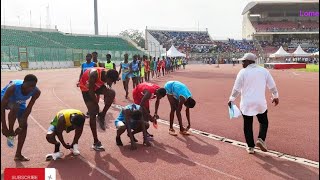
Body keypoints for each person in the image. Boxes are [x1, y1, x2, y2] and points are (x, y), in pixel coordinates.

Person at [228, 53, 279, 154]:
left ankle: (250, 147)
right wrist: (276, 96)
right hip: (260, 102)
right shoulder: (264, 71)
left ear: (249, 62)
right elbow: (272, 86)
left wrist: (231, 99)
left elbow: (236, 89)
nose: (242, 63)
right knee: (263, 121)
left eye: (243, 61)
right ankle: (261, 139)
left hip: (246, 103)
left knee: (247, 124)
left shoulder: (242, 72)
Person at [1, 74, 41, 161]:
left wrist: (20, 126)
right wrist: (4, 126)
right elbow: (2, 107)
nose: (30, 89)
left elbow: (28, 108)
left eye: (33, 86)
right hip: (6, 100)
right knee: (15, 107)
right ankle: (10, 132)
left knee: (24, 126)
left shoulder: (36, 92)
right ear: (24, 83)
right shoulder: (12, 88)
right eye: (28, 86)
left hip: (19, 102)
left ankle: (18, 154)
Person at [79, 67, 118, 150]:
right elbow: (91, 91)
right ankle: (96, 142)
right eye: (111, 81)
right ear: (107, 77)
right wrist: (96, 104)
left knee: (111, 93)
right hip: (86, 88)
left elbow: (107, 88)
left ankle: (102, 115)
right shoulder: (94, 74)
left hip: (96, 86)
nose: (111, 83)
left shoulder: (108, 74)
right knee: (93, 112)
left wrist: (108, 98)